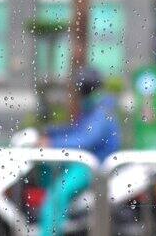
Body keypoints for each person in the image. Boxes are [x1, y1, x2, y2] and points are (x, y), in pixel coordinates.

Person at [37, 68, 121, 236]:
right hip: (85, 164)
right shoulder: (94, 109)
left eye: (82, 89)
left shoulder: (101, 112)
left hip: (92, 167)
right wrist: (51, 131)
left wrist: (52, 142)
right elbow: (76, 131)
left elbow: (85, 139)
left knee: (57, 196)